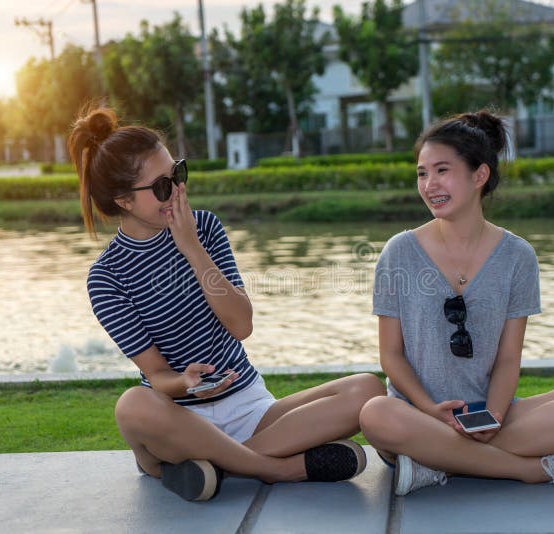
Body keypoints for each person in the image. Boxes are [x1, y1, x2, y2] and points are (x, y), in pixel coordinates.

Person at [67, 106, 386, 501]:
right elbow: (157, 374)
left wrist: (191, 248)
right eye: (163, 187)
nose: (178, 192)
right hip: (183, 419)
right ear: (124, 201)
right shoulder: (107, 277)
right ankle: (278, 468)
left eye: (178, 175)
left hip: (250, 408)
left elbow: (241, 325)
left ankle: (202, 468)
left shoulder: (204, 227)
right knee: (132, 405)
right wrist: (184, 383)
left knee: (368, 391)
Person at [359, 110, 554, 496]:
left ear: (479, 175)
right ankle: (533, 470)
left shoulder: (518, 256)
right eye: (422, 173)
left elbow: (507, 359)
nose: (429, 184)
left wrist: (496, 416)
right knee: (375, 414)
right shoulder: (399, 252)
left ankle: (433, 463)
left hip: (486, 415)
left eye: (442, 170)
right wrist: (428, 409)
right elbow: (391, 356)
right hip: (413, 417)